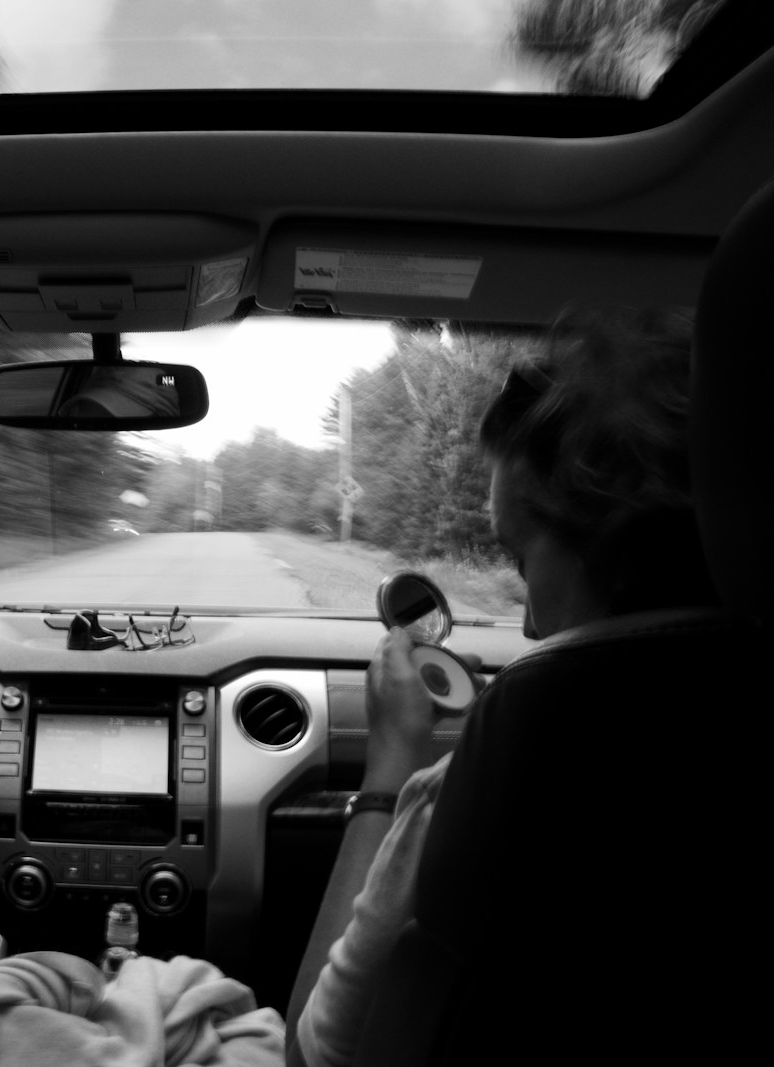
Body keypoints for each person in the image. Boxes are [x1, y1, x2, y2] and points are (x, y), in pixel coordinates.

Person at [283, 305, 714, 1067]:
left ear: (612, 548)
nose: (527, 628)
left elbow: (310, 1051)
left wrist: (390, 772)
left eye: (521, 561)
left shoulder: (469, 794)